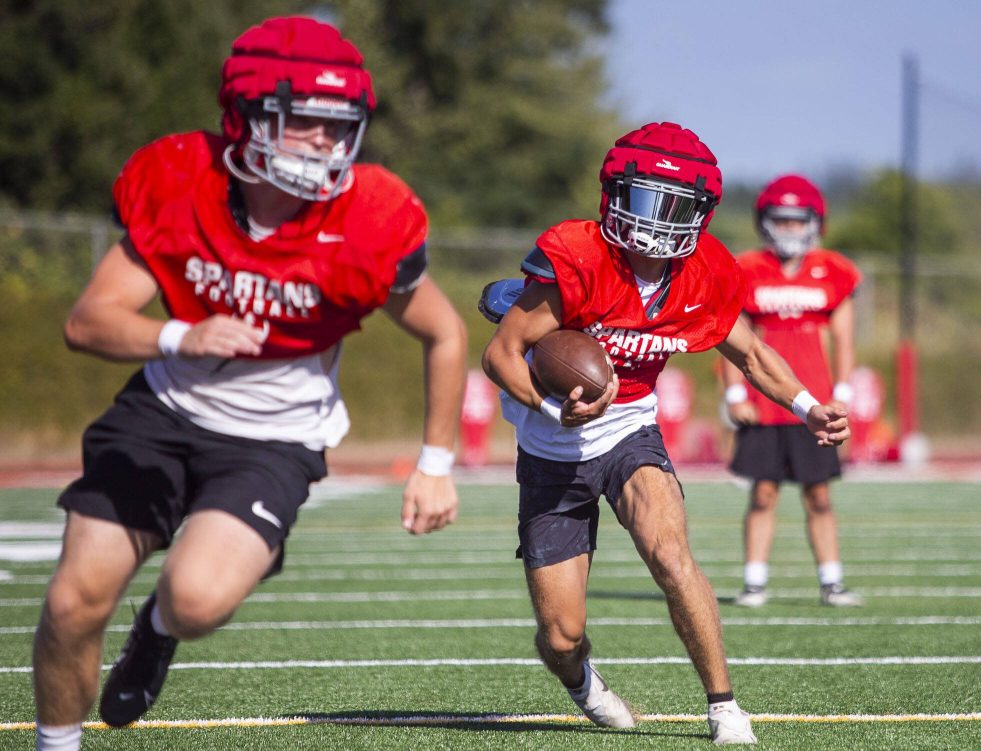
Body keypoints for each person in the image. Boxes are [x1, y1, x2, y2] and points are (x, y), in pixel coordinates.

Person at [32, 16, 466, 750]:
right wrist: (180, 333)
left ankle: (158, 629)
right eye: (305, 122)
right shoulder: (180, 182)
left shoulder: (367, 217)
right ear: (246, 115)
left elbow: (445, 332)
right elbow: (88, 320)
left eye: (340, 127)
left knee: (196, 600)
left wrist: (436, 464)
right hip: (162, 412)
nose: (326, 144)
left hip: (274, 436)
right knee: (74, 599)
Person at [480, 122, 850, 746]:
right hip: (551, 449)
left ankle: (724, 706)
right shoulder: (579, 257)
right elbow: (500, 355)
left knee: (671, 554)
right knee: (562, 635)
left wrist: (809, 405)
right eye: (648, 199)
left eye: (677, 205)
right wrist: (549, 406)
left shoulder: (703, 273)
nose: (660, 220)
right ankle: (584, 685)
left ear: (701, 213)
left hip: (630, 428)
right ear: (614, 194)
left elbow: (752, 354)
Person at [722, 175, 863, 608]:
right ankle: (754, 581)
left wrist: (841, 392)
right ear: (764, 222)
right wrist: (733, 395)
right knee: (762, 492)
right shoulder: (745, 268)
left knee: (819, 493)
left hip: (815, 403)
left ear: (813, 222)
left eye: (795, 220)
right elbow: (729, 337)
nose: (787, 228)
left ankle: (831, 580)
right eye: (779, 220)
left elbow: (844, 340)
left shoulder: (834, 271)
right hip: (766, 400)